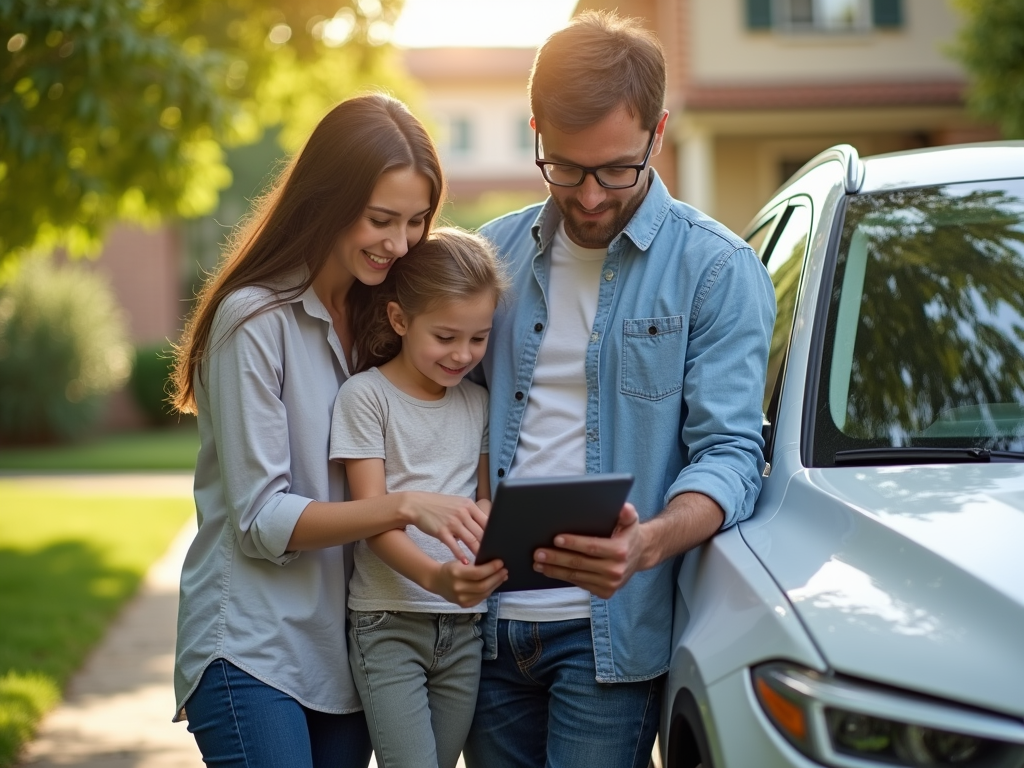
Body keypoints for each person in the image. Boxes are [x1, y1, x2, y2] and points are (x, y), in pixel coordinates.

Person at [462, 11, 777, 768]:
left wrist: (648, 543)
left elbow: (733, 453)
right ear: (537, 132)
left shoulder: (716, 271)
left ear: (658, 134)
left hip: (610, 636)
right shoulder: (488, 259)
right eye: (566, 167)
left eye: (616, 170)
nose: (593, 196)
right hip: (482, 625)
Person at [169, 94, 490, 768]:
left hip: (345, 658)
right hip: (253, 650)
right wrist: (404, 506)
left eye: (414, 222)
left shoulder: (387, 321)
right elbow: (259, 518)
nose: (399, 244)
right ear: (328, 198)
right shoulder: (255, 320)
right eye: (380, 219)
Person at [330, 227, 511, 768]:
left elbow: (482, 502)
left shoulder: (477, 403)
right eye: (446, 336)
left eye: (478, 339)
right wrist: (434, 578)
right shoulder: (366, 398)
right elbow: (372, 520)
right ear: (400, 320)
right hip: (388, 624)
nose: (462, 354)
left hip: (464, 628)